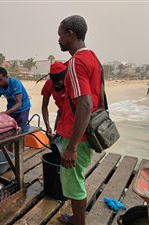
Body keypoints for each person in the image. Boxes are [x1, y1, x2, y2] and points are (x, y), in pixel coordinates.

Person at [55, 15, 102, 225]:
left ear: (70, 35)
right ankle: (77, 218)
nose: (58, 40)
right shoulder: (93, 58)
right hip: (89, 130)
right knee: (77, 178)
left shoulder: (75, 63)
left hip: (77, 135)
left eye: (60, 35)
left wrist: (71, 147)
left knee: (74, 182)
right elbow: (96, 97)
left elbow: (85, 104)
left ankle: (79, 222)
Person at [0, 67, 31, 131]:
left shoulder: (15, 82)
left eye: (0, 79)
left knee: (21, 129)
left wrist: (6, 113)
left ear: (7, 77)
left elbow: (19, 103)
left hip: (23, 107)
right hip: (11, 106)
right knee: (9, 128)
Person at [41, 61, 67, 137]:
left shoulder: (71, 84)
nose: (56, 85)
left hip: (73, 116)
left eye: (58, 83)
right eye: (54, 82)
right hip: (61, 113)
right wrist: (47, 125)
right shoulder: (49, 84)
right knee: (57, 139)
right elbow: (44, 106)